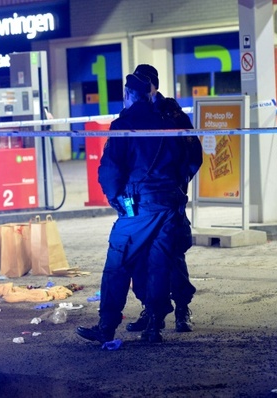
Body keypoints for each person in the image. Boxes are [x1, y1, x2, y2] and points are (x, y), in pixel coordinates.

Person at [75, 73, 194, 344]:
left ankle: (106, 326)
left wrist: (116, 198)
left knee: (117, 263)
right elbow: (187, 158)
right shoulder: (168, 121)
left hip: (139, 206)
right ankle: (154, 327)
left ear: (129, 95)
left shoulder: (124, 124)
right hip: (168, 204)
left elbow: (110, 170)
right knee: (159, 264)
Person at [125, 64, 203, 333]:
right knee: (140, 256)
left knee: (172, 254)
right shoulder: (133, 112)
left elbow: (194, 154)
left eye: (142, 82)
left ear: (153, 85)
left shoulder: (172, 112)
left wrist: (178, 184)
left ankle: (182, 309)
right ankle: (151, 310)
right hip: (140, 199)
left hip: (169, 198)